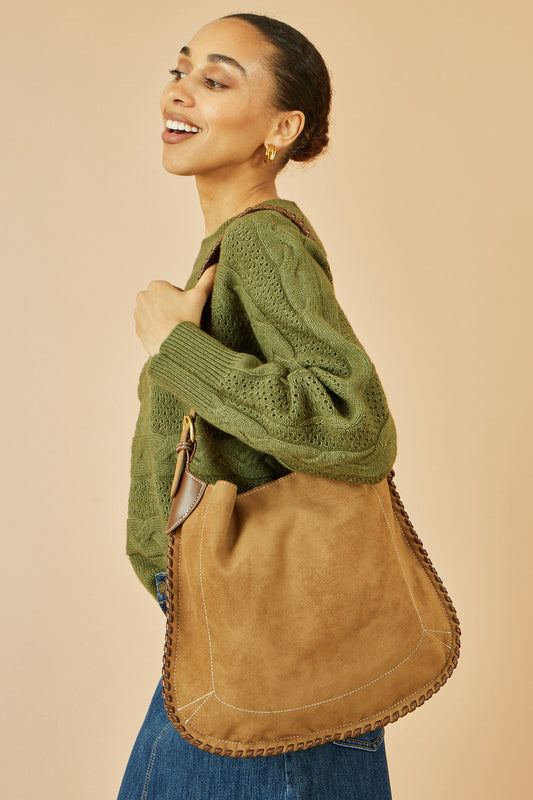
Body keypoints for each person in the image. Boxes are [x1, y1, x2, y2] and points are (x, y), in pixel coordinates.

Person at [118, 12, 396, 800]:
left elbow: (354, 424)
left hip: (263, 640)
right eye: (180, 69)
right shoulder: (232, 245)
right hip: (230, 639)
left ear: (282, 127)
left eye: (215, 80)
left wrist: (178, 347)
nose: (180, 90)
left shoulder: (259, 244)